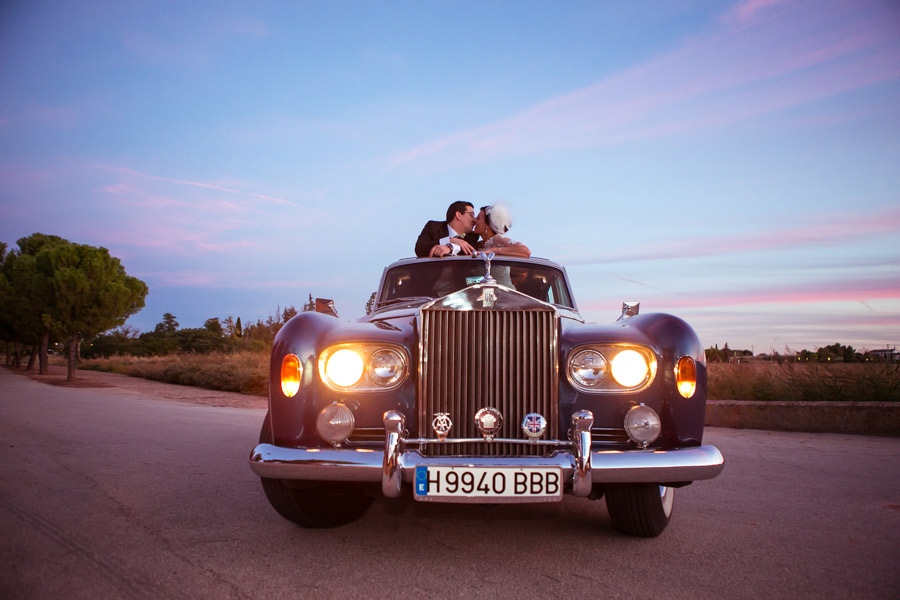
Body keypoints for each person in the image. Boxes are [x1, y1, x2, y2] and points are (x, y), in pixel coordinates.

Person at [415, 201, 480, 258]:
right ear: (458, 215)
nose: (474, 220)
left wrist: (450, 247)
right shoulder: (433, 227)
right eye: (471, 215)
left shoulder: (473, 236)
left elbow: (469, 251)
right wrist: (449, 240)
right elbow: (419, 249)